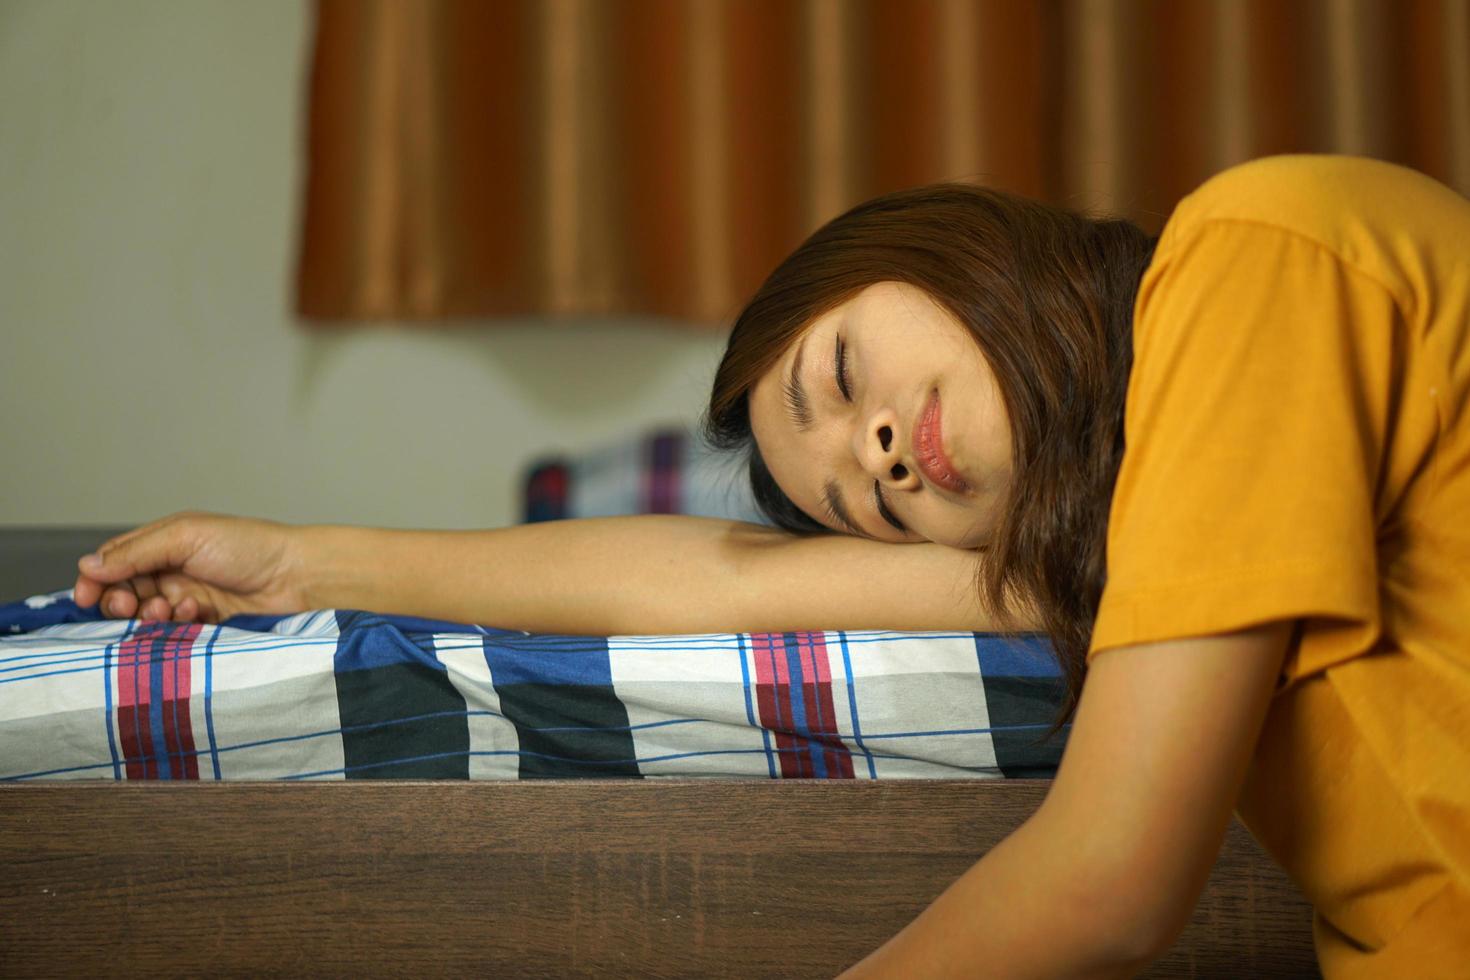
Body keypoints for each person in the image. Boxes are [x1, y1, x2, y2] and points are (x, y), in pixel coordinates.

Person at [73, 155, 1468, 978]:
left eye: (845, 375)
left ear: (939, 249)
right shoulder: (1130, 541)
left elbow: (1110, 875)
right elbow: (717, 583)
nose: (884, 455)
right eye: (869, 502)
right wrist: (296, 560)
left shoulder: (1257, 251)